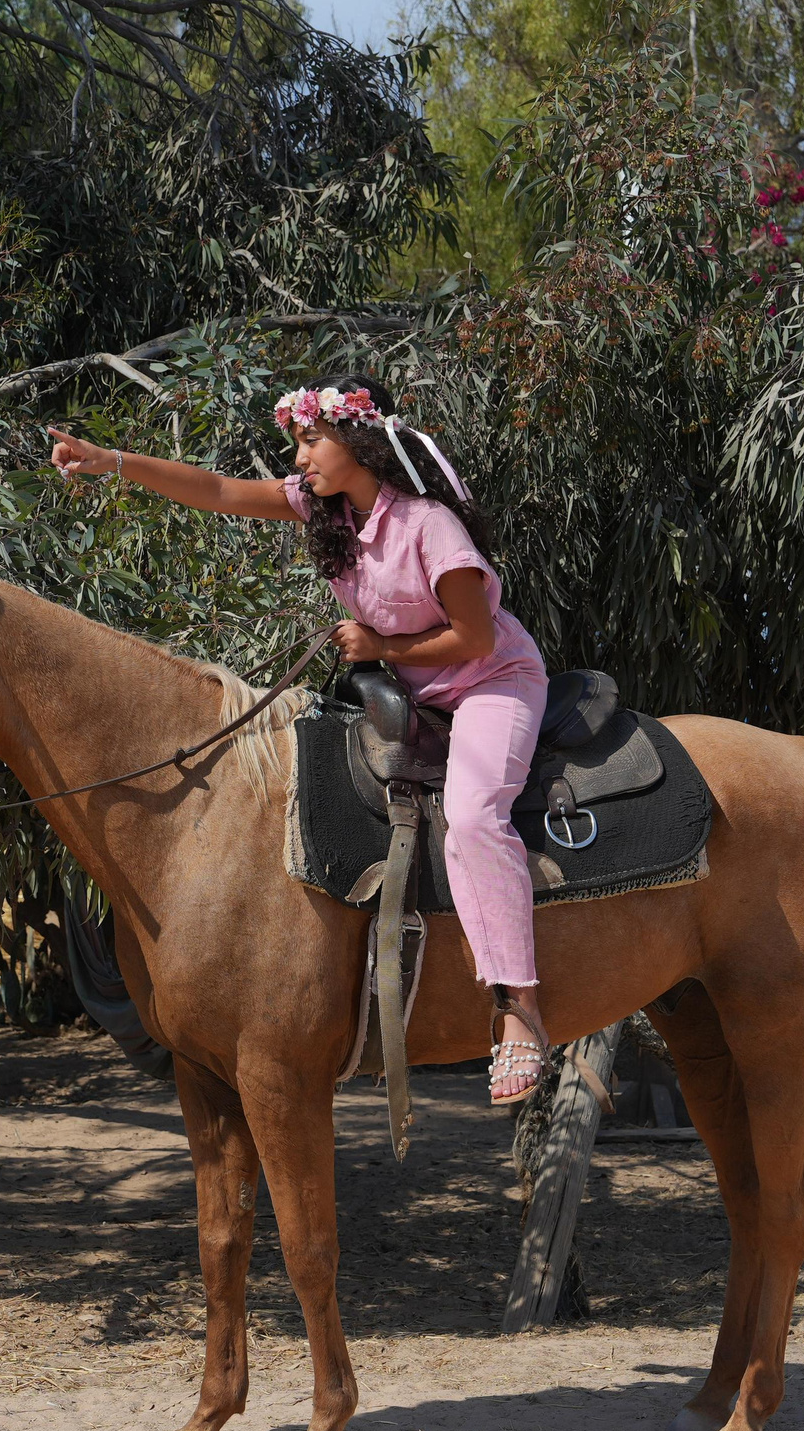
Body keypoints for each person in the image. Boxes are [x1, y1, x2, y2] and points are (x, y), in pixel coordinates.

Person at [48, 376, 554, 1104]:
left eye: (311, 438)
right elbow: (220, 491)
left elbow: (474, 637)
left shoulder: (429, 525)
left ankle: (519, 1010)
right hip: (409, 689)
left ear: (360, 443)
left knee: (475, 818)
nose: (301, 454)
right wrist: (113, 461)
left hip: (488, 683)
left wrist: (379, 642)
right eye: (299, 441)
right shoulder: (326, 511)